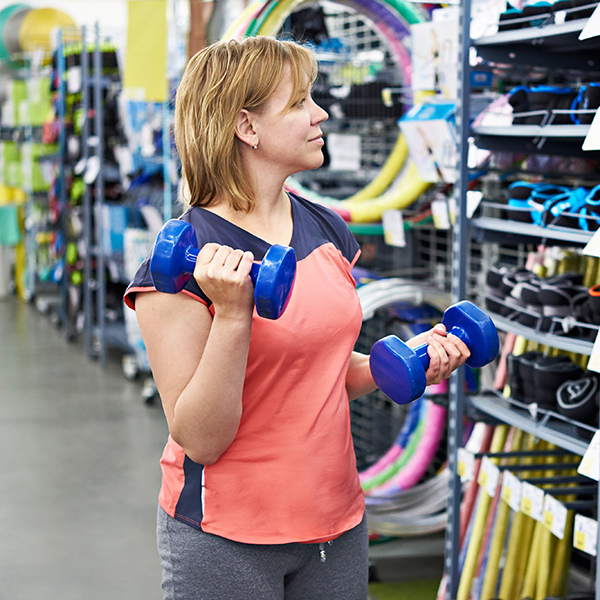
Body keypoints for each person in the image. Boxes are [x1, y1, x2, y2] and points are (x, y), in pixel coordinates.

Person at [124, 36, 470, 600]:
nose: (322, 113)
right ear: (247, 127)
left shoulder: (326, 228)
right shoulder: (181, 266)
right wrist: (234, 314)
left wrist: (410, 362)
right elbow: (201, 439)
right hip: (228, 535)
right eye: (299, 102)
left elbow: (320, 369)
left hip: (337, 523)